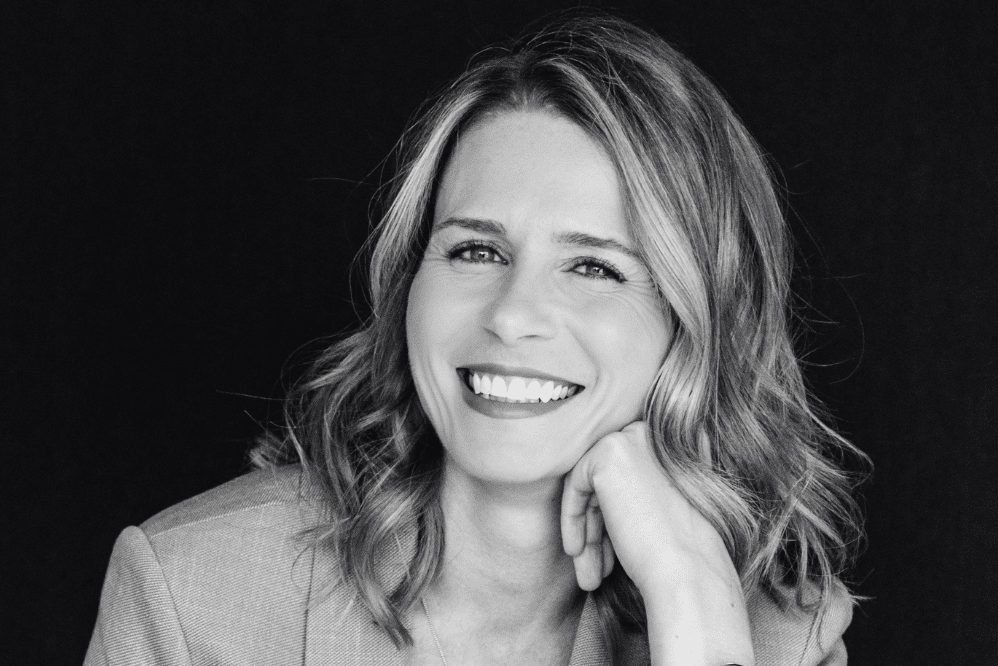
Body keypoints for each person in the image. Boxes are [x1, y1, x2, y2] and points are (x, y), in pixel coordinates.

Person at [84, 14, 867, 666]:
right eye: (477, 251)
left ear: (693, 327)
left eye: (593, 266)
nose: (513, 313)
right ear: (409, 286)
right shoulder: (193, 593)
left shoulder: (777, 638)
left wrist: (689, 597)